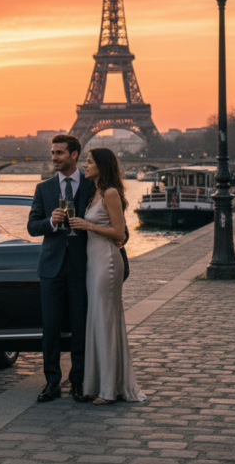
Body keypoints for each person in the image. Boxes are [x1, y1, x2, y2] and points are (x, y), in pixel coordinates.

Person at [68, 148, 146, 405]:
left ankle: (109, 390)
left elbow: (119, 232)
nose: (85, 165)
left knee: (106, 321)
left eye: (89, 161)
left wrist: (87, 225)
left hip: (107, 263)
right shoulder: (94, 192)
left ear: (101, 165)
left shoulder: (110, 193)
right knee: (98, 320)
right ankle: (100, 383)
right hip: (95, 261)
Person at [27, 135, 92, 403]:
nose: (54, 157)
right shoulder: (44, 188)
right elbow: (32, 226)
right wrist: (50, 223)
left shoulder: (92, 185)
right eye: (52, 152)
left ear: (74, 154)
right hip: (51, 267)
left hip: (82, 265)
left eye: (60, 153)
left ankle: (78, 380)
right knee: (51, 328)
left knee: (80, 326)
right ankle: (52, 381)